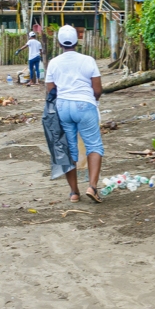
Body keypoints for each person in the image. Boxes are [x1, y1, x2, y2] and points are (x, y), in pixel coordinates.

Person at [45, 25, 104, 203]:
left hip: (63, 106)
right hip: (85, 104)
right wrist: (93, 100)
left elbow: (50, 90)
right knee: (94, 145)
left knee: (69, 149)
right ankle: (92, 187)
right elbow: (98, 89)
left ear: (59, 43)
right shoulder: (88, 60)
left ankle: (74, 193)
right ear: (77, 42)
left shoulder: (53, 63)